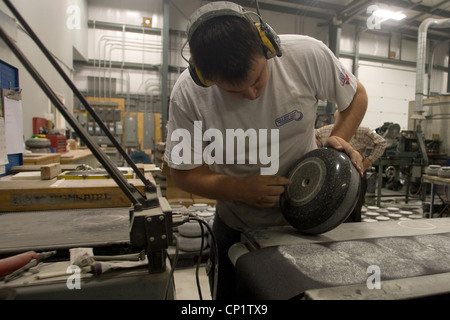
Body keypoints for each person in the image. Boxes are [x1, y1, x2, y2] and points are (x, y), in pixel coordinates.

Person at [164, 1, 368, 299]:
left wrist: (336, 141)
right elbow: (183, 174)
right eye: (234, 91)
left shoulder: (307, 55)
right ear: (205, 77)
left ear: (267, 45)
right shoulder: (187, 95)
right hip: (237, 226)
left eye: (257, 80)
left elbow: (356, 97)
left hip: (310, 222)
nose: (250, 95)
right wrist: (239, 189)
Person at [315, 112, 387, 222]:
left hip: (355, 175)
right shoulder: (323, 131)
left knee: (352, 209)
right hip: (331, 178)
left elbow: (381, 143)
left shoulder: (362, 131)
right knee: (332, 209)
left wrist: (367, 162)